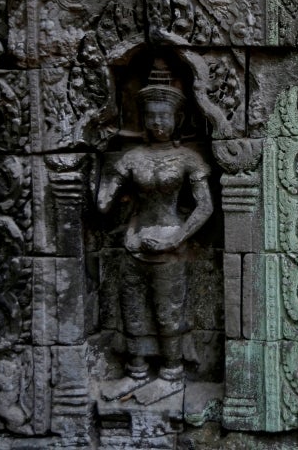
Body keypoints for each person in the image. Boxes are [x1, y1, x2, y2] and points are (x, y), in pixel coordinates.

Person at [97, 75, 212, 393]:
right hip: (134, 243)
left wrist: (175, 239)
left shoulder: (189, 158)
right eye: (152, 115)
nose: (158, 122)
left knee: (167, 313)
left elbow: (205, 207)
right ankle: (136, 371)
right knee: (132, 312)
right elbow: (103, 205)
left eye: (165, 115)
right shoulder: (132, 158)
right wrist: (102, 169)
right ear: (142, 118)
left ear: (177, 118)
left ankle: (172, 373)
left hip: (171, 244)